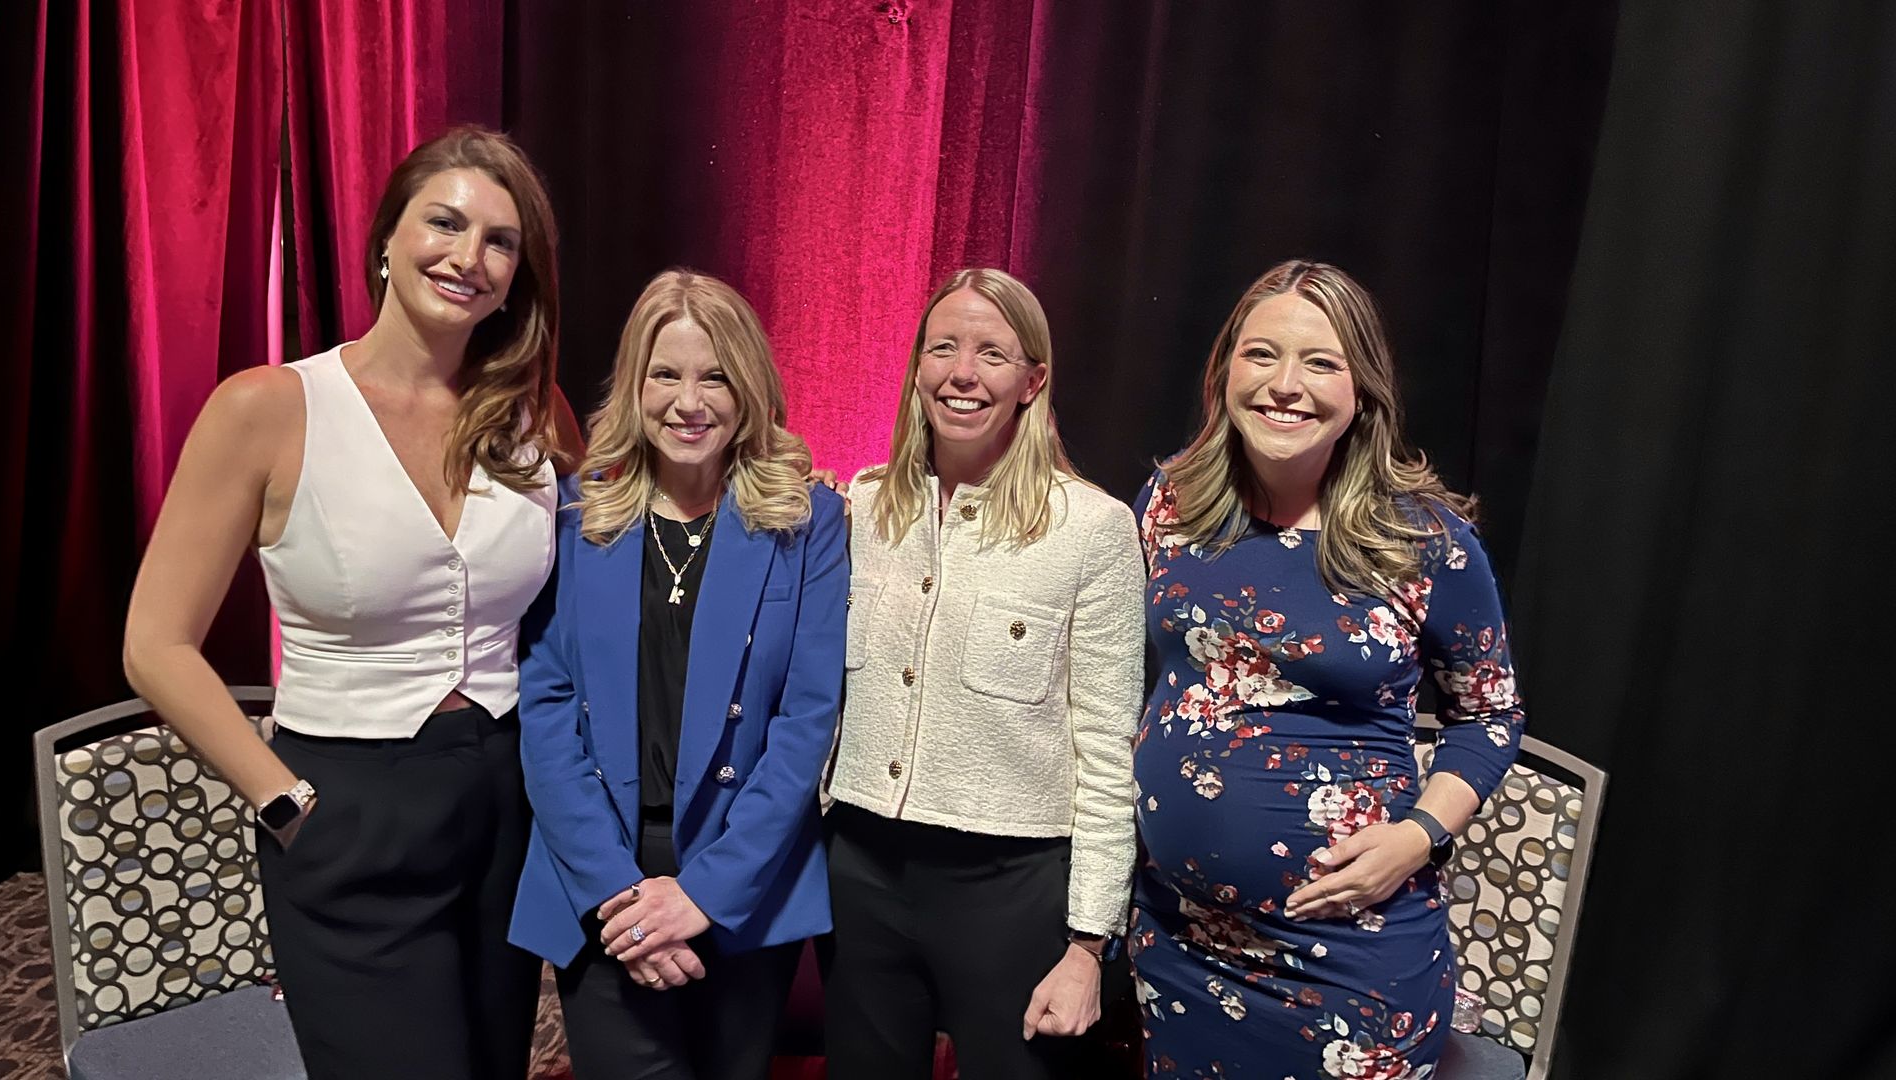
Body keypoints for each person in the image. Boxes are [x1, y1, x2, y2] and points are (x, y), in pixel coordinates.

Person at [122, 126, 574, 1079]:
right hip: (346, 798)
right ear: (386, 237)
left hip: (506, 796)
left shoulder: (535, 413)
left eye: (500, 241)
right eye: (444, 222)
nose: (469, 257)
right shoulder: (268, 407)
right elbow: (156, 644)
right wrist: (282, 801)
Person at [1130, 260, 1527, 1077]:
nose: (1285, 385)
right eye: (1261, 354)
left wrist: (1419, 837)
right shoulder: (1168, 506)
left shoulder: (1424, 543)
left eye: (1321, 362)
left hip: (1349, 961)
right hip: (1178, 948)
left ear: (1362, 390)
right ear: (1224, 370)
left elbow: (1489, 717)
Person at [510, 269, 849, 1080]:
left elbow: (807, 723)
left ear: (750, 389)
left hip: (742, 883)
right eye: (666, 374)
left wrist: (701, 896)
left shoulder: (807, 522)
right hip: (603, 878)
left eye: (716, 377)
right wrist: (620, 899)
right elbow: (547, 710)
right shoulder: (573, 512)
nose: (689, 401)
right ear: (634, 384)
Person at [820, 267, 1145, 1079]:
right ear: (917, 368)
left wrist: (1086, 947)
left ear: (1034, 379)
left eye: (992, 354)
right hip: (857, 873)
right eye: (944, 349)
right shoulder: (858, 508)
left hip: (1010, 889)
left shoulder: (1093, 530)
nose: (962, 374)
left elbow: (1108, 752)